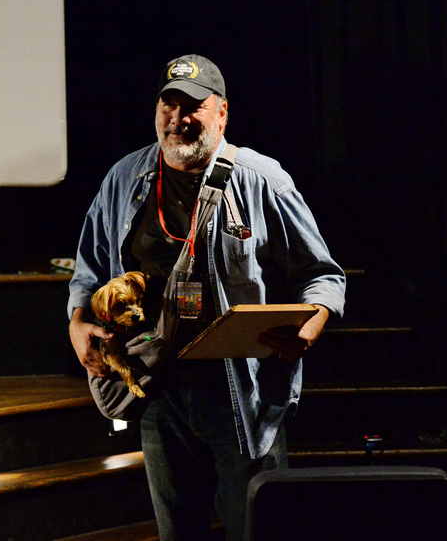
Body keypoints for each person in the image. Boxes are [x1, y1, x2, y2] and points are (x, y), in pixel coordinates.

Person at [67, 54, 346, 541]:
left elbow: (322, 275)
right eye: (168, 105)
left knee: (257, 527)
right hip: (157, 384)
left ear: (222, 112)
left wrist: (312, 323)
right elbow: (88, 269)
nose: (178, 119)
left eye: (193, 106)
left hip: (240, 392)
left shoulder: (262, 179)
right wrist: (77, 321)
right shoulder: (125, 178)